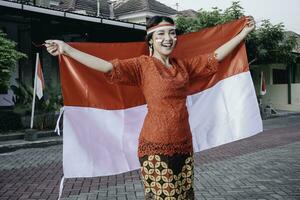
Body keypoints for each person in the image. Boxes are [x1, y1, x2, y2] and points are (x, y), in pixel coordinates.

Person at [45, 15, 255, 200]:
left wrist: (243, 33)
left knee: (185, 196)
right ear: (151, 40)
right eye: (161, 34)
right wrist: (67, 49)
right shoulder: (142, 65)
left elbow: (214, 58)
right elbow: (108, 67)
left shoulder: (183, 66)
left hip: (184, 145)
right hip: (155, 148)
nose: (168, 38)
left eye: (172, 33)